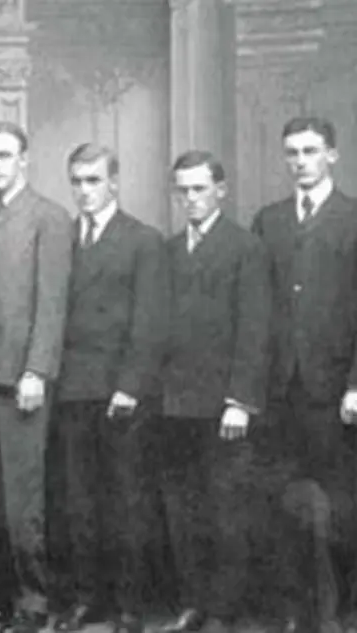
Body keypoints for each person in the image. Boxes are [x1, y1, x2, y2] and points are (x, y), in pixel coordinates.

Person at [47, 143, 166, 633]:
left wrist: (130, 386)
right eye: (76, 181)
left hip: (121, 393)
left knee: (125, 501)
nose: (84, 191)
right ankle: (86, 599)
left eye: (93, 180)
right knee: (78, 502)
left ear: (114, 182)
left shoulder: (143, 239)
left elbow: (150, 322)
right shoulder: (62, 237)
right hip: (72, 389)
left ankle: (129, 605)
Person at [155, 151, 270, 633]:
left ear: (220, 190)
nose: (190, 199)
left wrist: (240, 400)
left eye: (199, 189)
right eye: (182, 190)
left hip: (223, 406)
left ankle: (224, 611)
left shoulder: (245, 247)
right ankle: (193, 604)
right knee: (183, 510)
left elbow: (255, 329)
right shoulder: (168, 249)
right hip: (175, 405)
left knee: (226, 510)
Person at [251, 116, 357, 633]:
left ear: (332, 155)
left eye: (310, 151)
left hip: (333, 389)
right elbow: (255, 311)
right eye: (291, 152)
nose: (300, 162)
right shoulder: (268, 221)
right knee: (282, 504)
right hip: (278, 390)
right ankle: (291, 612)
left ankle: (336, 614)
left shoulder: (353, 218)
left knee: (339, 506)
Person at [0, 121, 73, 632]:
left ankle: (35, 602)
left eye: (4, 155)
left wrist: (36, 370)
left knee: (23, 499)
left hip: (22, 381)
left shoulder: (49, 219)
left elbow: (52, 305)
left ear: (24, 159)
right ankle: (1, 595)